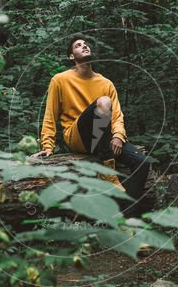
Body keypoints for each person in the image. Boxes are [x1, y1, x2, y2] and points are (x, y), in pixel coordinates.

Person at [34, 34, 150, 215]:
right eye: (78, 45)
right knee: (103, 103)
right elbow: (50, 115)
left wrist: (118, 135)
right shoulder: (60, 80)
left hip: (104, 137)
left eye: (86, 44)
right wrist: (48, 145)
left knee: (142, 163)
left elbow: (117, 115)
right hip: (77, 137)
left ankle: (125, 216)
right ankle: (108, 173)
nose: (84, 46)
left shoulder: (106, 83)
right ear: (71, 56)